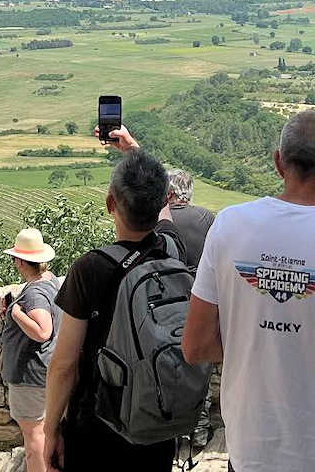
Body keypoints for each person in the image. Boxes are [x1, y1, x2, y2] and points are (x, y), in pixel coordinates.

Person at [183, 111, 315, 471]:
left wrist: (254, 341)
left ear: (278, 162)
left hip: (252, 449)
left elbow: (195, 347)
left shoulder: (229, 226)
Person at [43, 127, 177, 472]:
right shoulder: (173, 250)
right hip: (156, 421)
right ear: (165, 200)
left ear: (109, 204)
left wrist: (50, 428)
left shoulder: (91, 268)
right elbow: (161, 201)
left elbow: (64, 364)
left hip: (98, 427)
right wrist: (134, 150)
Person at [154, 168, 217, 450]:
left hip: (165, 304)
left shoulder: (159, 222)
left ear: (168, 194)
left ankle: (173, 432)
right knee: (199, 366)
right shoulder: (207, 218)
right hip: (202, 302)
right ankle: (200, 432)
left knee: (168, 367)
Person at [0, 228, 62, 472]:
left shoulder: (34, 292)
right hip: (47, 370)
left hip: (29, 376)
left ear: (21, 261)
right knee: (49, 430)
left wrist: (15, 312)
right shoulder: (50, 280)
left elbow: (42, 330)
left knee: (34, 437)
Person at [156, 168, 215, 269]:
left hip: (165, 280)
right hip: (197, 280)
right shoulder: (205, 216)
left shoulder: (158, 218)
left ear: (168, 193)